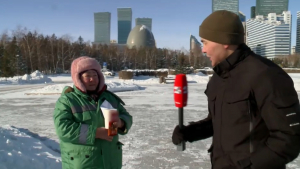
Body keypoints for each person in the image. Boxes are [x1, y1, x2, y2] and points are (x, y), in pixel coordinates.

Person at [172, 10, 300, 169]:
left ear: (224, 41)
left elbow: (288, 138)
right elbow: (219, 122)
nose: (203, 50)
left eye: (205, 42)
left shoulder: (266, 75)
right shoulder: (218, 77)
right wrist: (191, 132)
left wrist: (250, 166)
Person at [53, 56, 132, 169]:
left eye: (95, 75)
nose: (92, 79)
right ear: (78, 78)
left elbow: (126, 116)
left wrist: (121, 123)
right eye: (87, 76)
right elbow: (63, 129)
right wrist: (95, 133)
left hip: (111, 162)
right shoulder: (67, 100)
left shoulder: (108, 98)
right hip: (83, 163)